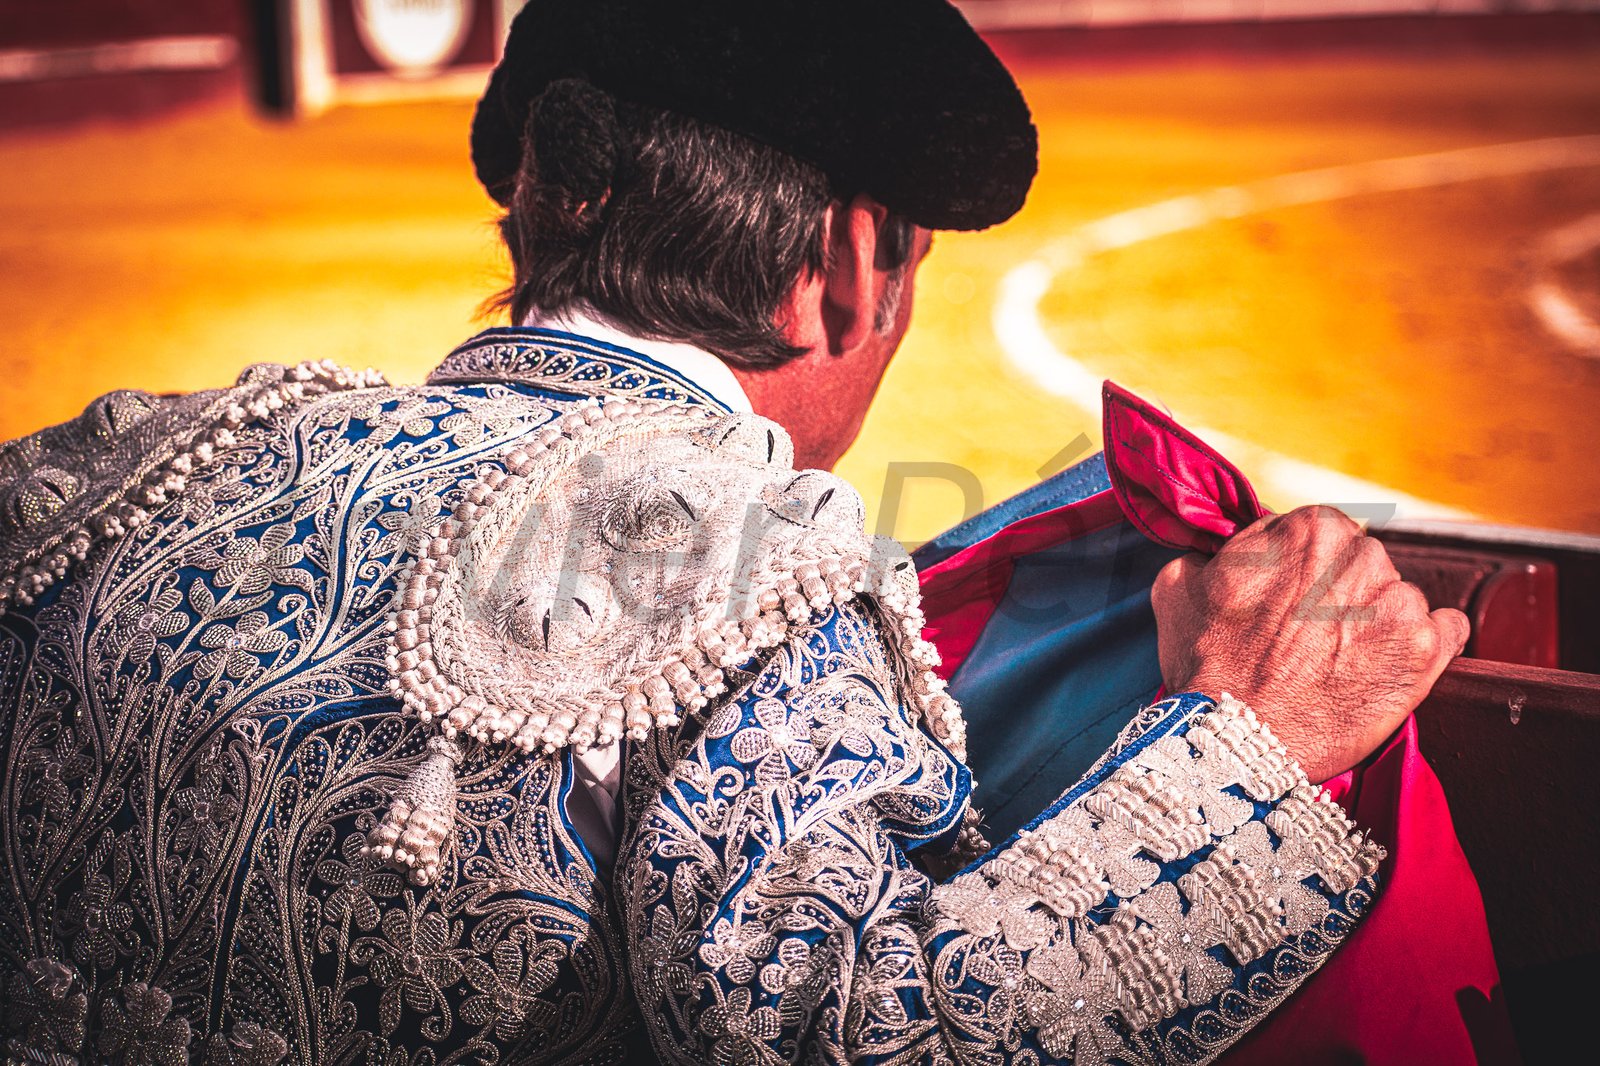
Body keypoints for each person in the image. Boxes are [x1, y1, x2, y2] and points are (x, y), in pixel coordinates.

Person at [0, 1, 1476, 1063]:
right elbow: (880, 1035)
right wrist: (1248, 743)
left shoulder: (111, 467)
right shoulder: (752, 587)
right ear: (843, 267)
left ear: (536, 211)